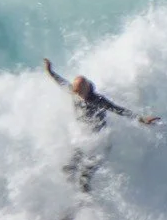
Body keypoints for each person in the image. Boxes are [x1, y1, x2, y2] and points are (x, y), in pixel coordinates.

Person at [44, 58, 158, 192]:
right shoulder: (74, 92)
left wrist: (142, 119)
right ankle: (70, 195)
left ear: (87, 88)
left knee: (84, 177)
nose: (78, 95)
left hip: (100, 142)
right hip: (86, 137)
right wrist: (50, 71)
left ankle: (86, 199)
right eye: (76, 92)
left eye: (80, 92)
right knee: (69, 168)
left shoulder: (98, 100)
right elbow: (61, 82)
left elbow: (119, 110)